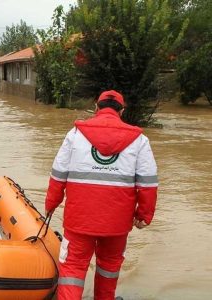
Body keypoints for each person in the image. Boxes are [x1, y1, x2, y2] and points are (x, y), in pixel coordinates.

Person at [45, 90, 158, 300]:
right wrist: (144, 215)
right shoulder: (139, 140)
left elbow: (58, 174)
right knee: (109, 270)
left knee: (72, 270)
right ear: (122, 111)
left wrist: (51, 203)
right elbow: (148, 183)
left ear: (96, 108)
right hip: (117, 223)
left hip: (79, 220)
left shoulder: (75, 135)